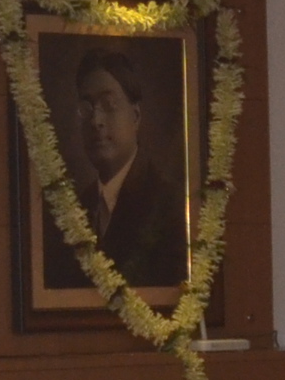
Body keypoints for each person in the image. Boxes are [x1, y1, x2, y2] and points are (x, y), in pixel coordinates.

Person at [54, 46, 186, 290]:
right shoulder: (76, 209)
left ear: (135, 116)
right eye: (87, 107)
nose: (96, 120)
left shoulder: (170, 204)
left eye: (109, 104)